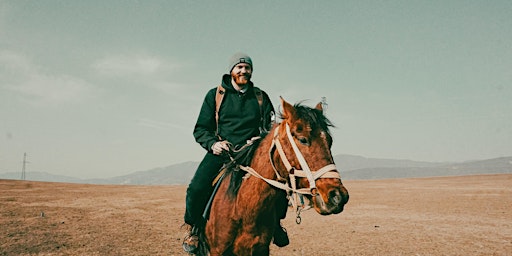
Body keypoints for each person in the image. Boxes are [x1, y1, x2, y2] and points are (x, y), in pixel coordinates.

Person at [182, 53, 289, 253]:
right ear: (231, 70)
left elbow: (270, 128)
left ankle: (275, 225)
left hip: (252, 152)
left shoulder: (260, 96)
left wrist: (260, 140)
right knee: (196, 188)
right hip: (223, 152)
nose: (243, 71)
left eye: (247, 68)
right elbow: (201, 129)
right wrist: (213, 144)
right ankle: (194, 229)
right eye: (239, 67)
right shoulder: (216, 95)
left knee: (280, 186)